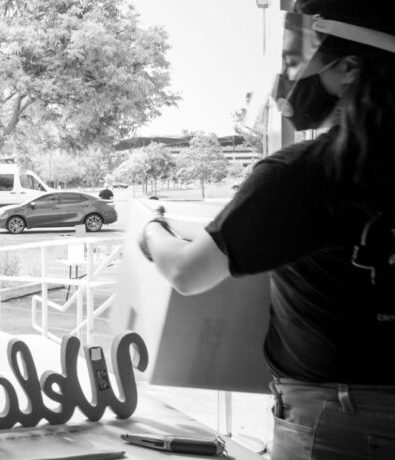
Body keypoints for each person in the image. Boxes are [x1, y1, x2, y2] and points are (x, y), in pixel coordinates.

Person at [138, 1, 395, 458]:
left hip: (341, 421)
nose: (291, 73)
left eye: (301, 57)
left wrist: (149, 228)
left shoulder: (305, 175)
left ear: (350, 67)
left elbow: (187, 273)